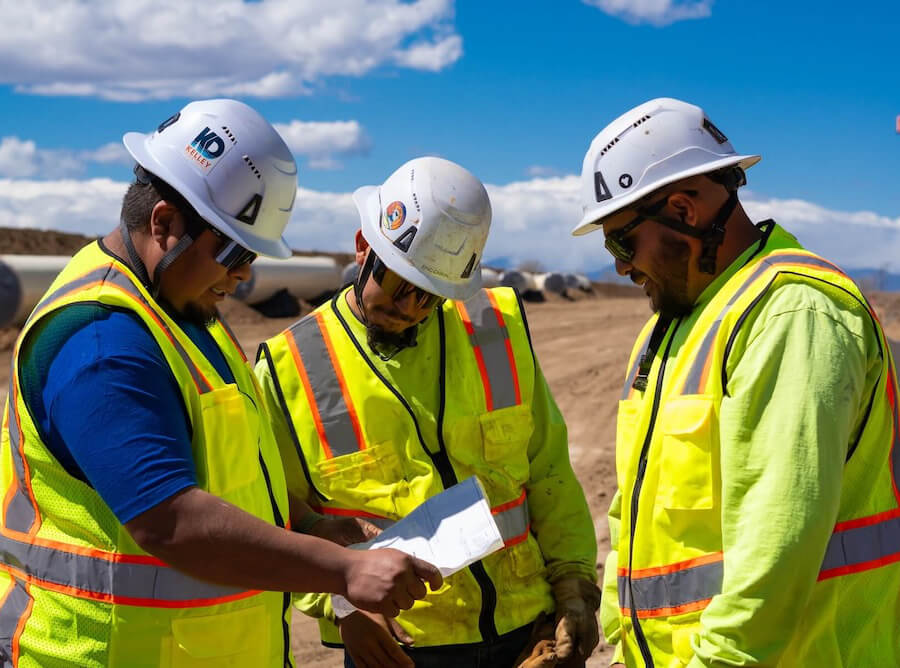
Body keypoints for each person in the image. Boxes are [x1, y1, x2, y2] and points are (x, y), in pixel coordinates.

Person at [0, 99, 441, 667]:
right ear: (164, 224)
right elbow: (171, 523)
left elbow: (233, 471)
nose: (244, 274)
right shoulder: (102, 342)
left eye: (252, 256)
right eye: (234, 251)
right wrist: (345, 571)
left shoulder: (182, 310)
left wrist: (308, 524)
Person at [572, 97, 900, 667]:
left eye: (621, 242)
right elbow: (632, 504)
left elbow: (776, 548)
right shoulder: (671, 326)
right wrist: (620, 637)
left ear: (683, 210)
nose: (620, 266)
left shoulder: (791, 314)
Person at [255, 156, 601, 668]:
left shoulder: (492, 327)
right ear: (363, 247)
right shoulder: (290, 366)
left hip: (526, 628)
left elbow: (548, 470)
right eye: (399, 285)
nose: (409, 308)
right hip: (400, 646)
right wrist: (340, 605)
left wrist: (574, 582)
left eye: (429, 296)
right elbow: (274, 513)